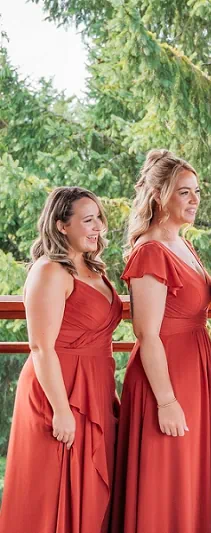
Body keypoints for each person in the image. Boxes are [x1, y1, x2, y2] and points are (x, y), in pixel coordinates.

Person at [0, 187, 122, 532]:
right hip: (59, 392)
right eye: (88, 220)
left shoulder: (91, 267)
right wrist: (62, 410)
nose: (98, 226)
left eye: (99, 217)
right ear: (61, 226)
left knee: (93, 493)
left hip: (94, 386)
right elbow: (40, 346)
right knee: (52, 491)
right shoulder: (50, 270)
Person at [111, 150, 211, 532]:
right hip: (166, 378)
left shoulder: (183, 245)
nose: (195, 200)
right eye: (184, 193)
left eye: (196, 191)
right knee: (166, 479)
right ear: (159, 196)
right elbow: (147, 334)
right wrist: (167, 401)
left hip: (196, 369)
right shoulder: (150, 251)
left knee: (189, 477)